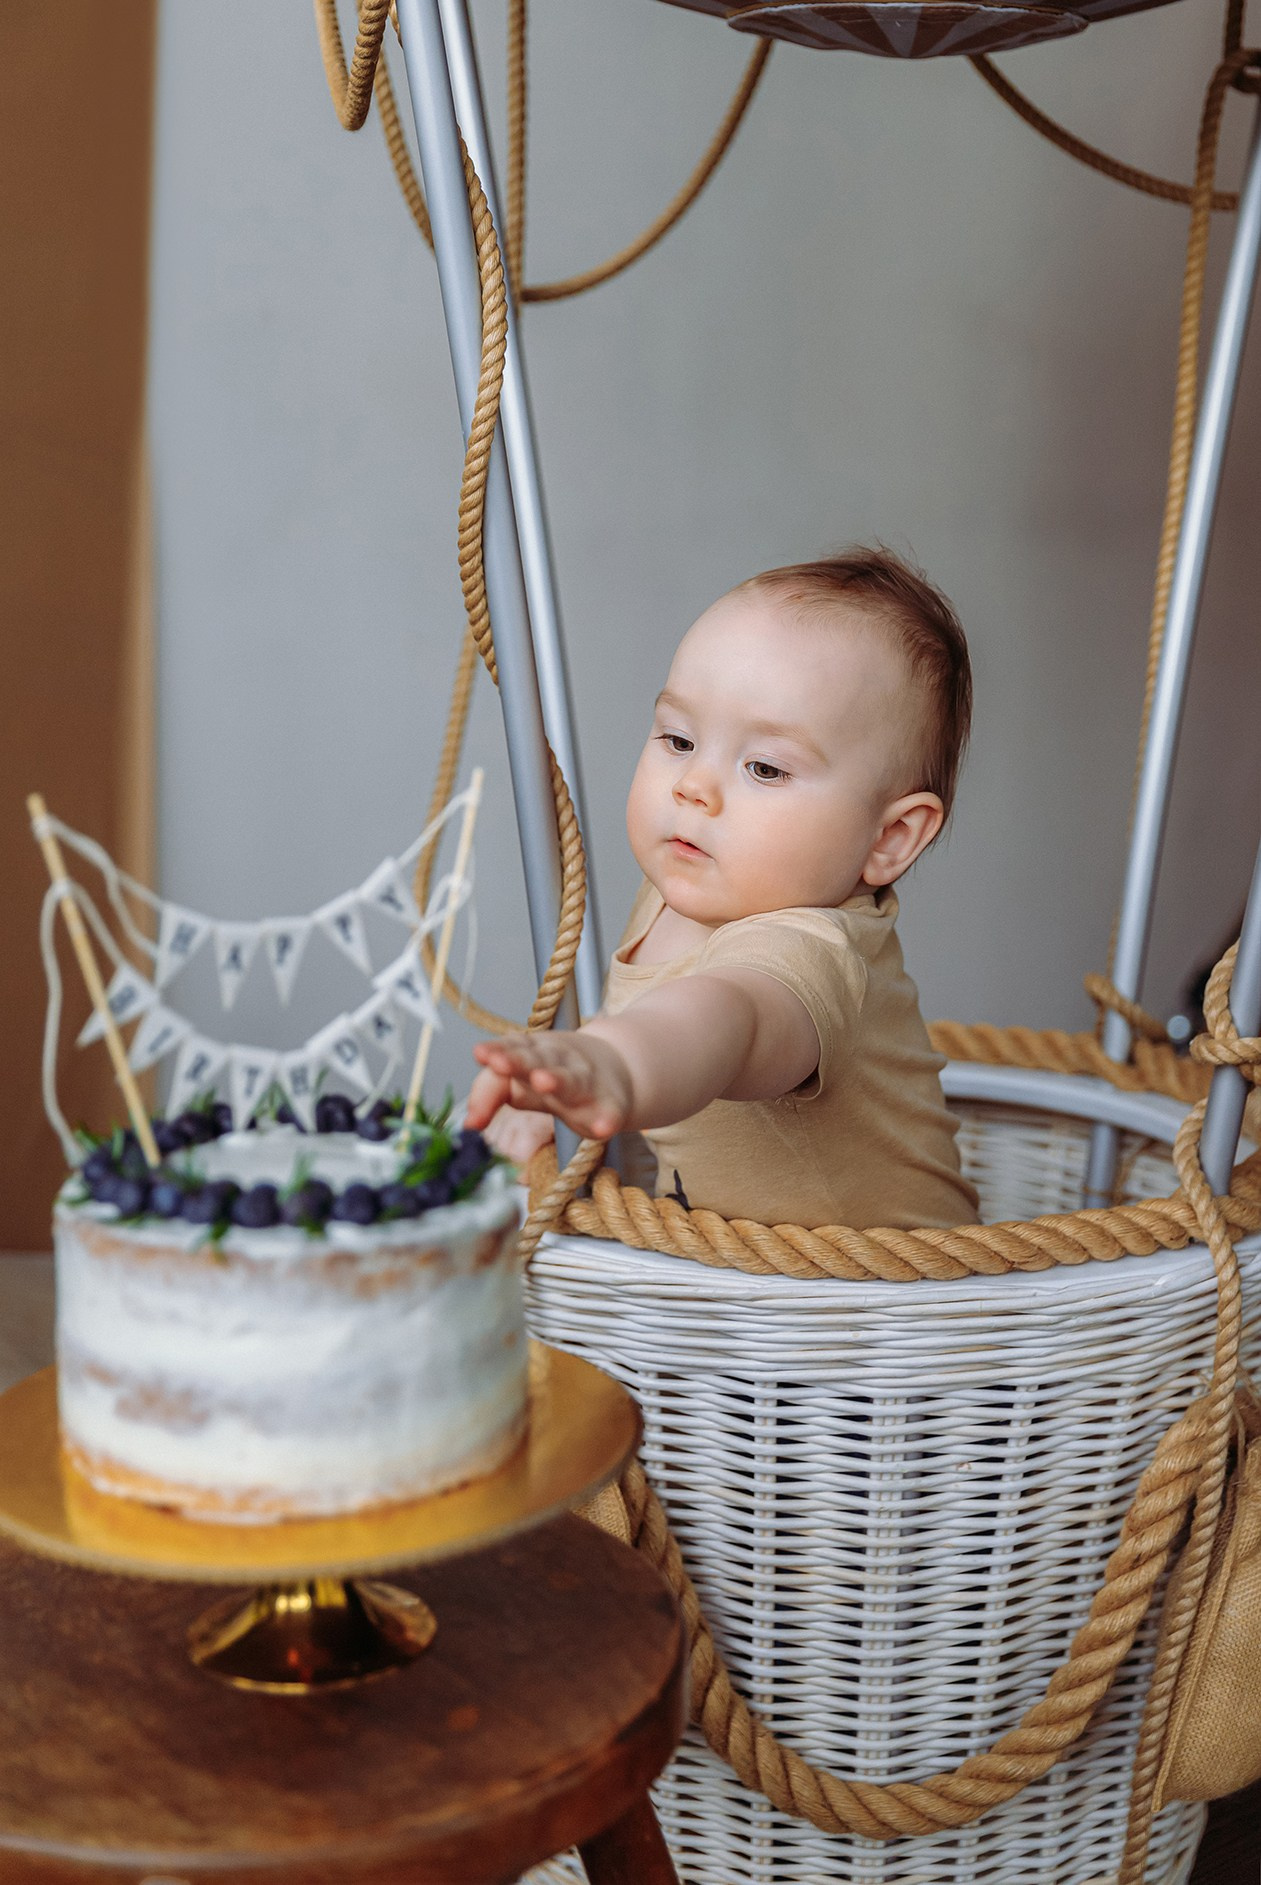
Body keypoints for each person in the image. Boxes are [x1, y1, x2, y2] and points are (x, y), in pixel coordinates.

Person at [465, 546, 980, 1231]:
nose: (693, 787)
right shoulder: (683, 891)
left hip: (895, 1315)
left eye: (764, 768)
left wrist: (609, 1063)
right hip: (765, 1298)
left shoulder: (810, 951)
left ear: (888, 838)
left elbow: (720, 1023)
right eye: (678, 739)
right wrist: (556, 1096)